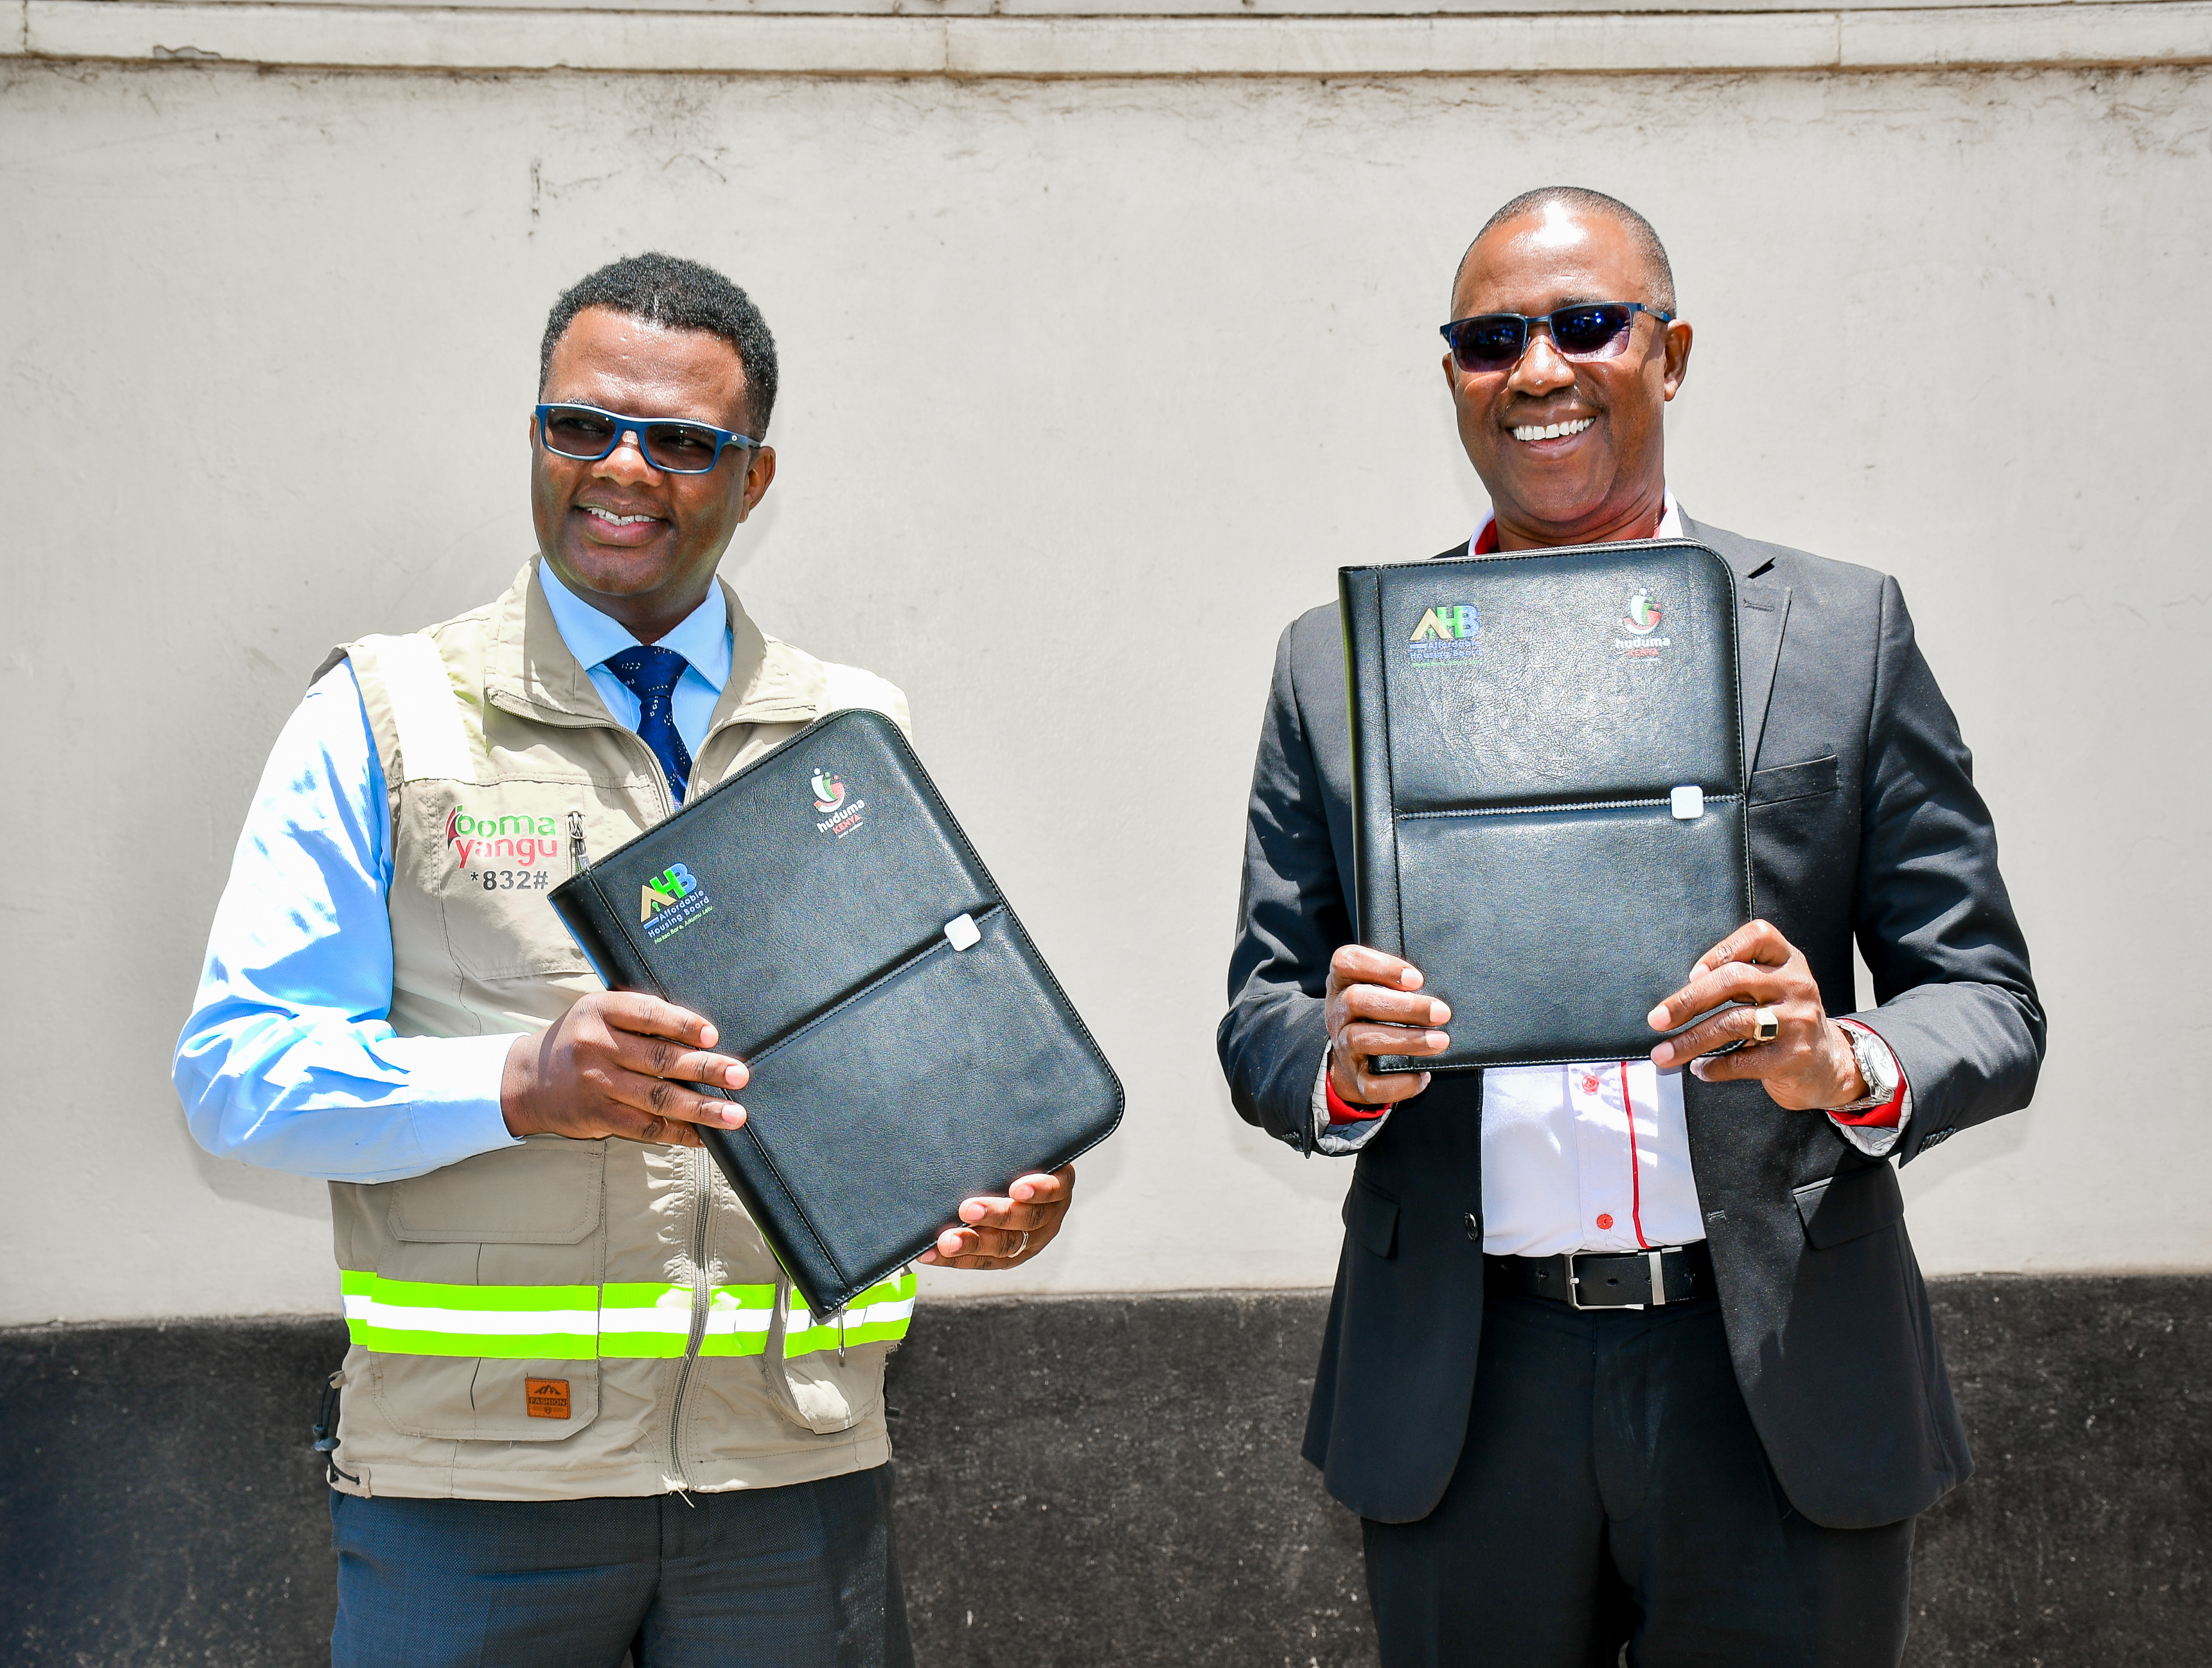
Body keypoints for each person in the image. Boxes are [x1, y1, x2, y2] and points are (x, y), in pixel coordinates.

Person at [174, 252, 1074, 1668]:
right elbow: (237, 1078)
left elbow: (915, 1053)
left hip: (791, 1483)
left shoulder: (847, 730)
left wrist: (997, 1185)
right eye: (581, 425)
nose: (623, 468)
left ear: (753, 478)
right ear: (535, 438)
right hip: (473, 1492)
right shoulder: (389, 714)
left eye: (681, 442)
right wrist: (522, 1082)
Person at [1216, 189, 2044, 1666]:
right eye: (1491, 341)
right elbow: (1261, 1009)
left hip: (1775, 1375)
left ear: (1671, 353)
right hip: (1466, 1388)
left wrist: (1841, 1061)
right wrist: (1336, 1065)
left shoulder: (1840, 632)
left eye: (1587, 326)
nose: (1538, 369)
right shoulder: (1335, 666)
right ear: (1454, 374)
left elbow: (1982, 995)